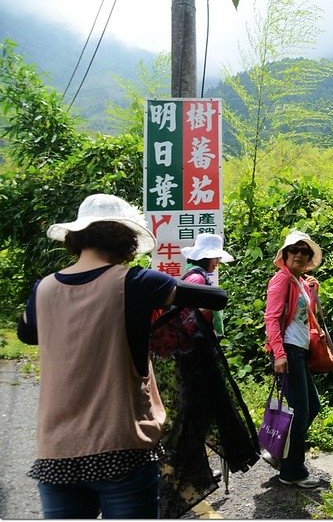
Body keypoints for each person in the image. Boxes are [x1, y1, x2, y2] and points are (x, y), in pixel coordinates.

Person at [16, 193, 228, 519]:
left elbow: (26, 333)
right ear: (126, 238)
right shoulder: (136, 283)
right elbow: (217, 298)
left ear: (76, 237)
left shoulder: (42, 289)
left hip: (56, 453)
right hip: (122, 448)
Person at [263, 230, 324, 489]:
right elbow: (271, 318)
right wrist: (279, 354)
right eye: (294, 250)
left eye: (304, 251)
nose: (299, 254)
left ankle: (281, 454)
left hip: (299, 351)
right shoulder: (281, 280)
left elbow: (309, 314)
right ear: (285, 255)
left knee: (312, 407)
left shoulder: (299, 281)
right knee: (301, 411)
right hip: (288, 352)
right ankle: (292, 471)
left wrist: (313, 288)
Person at [180, 232, 235, 336]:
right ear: (205, 258)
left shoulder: (195, 276)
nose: (218, 262)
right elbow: (187, 314)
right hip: (193, 341)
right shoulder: (198, 279)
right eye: (216, 258)